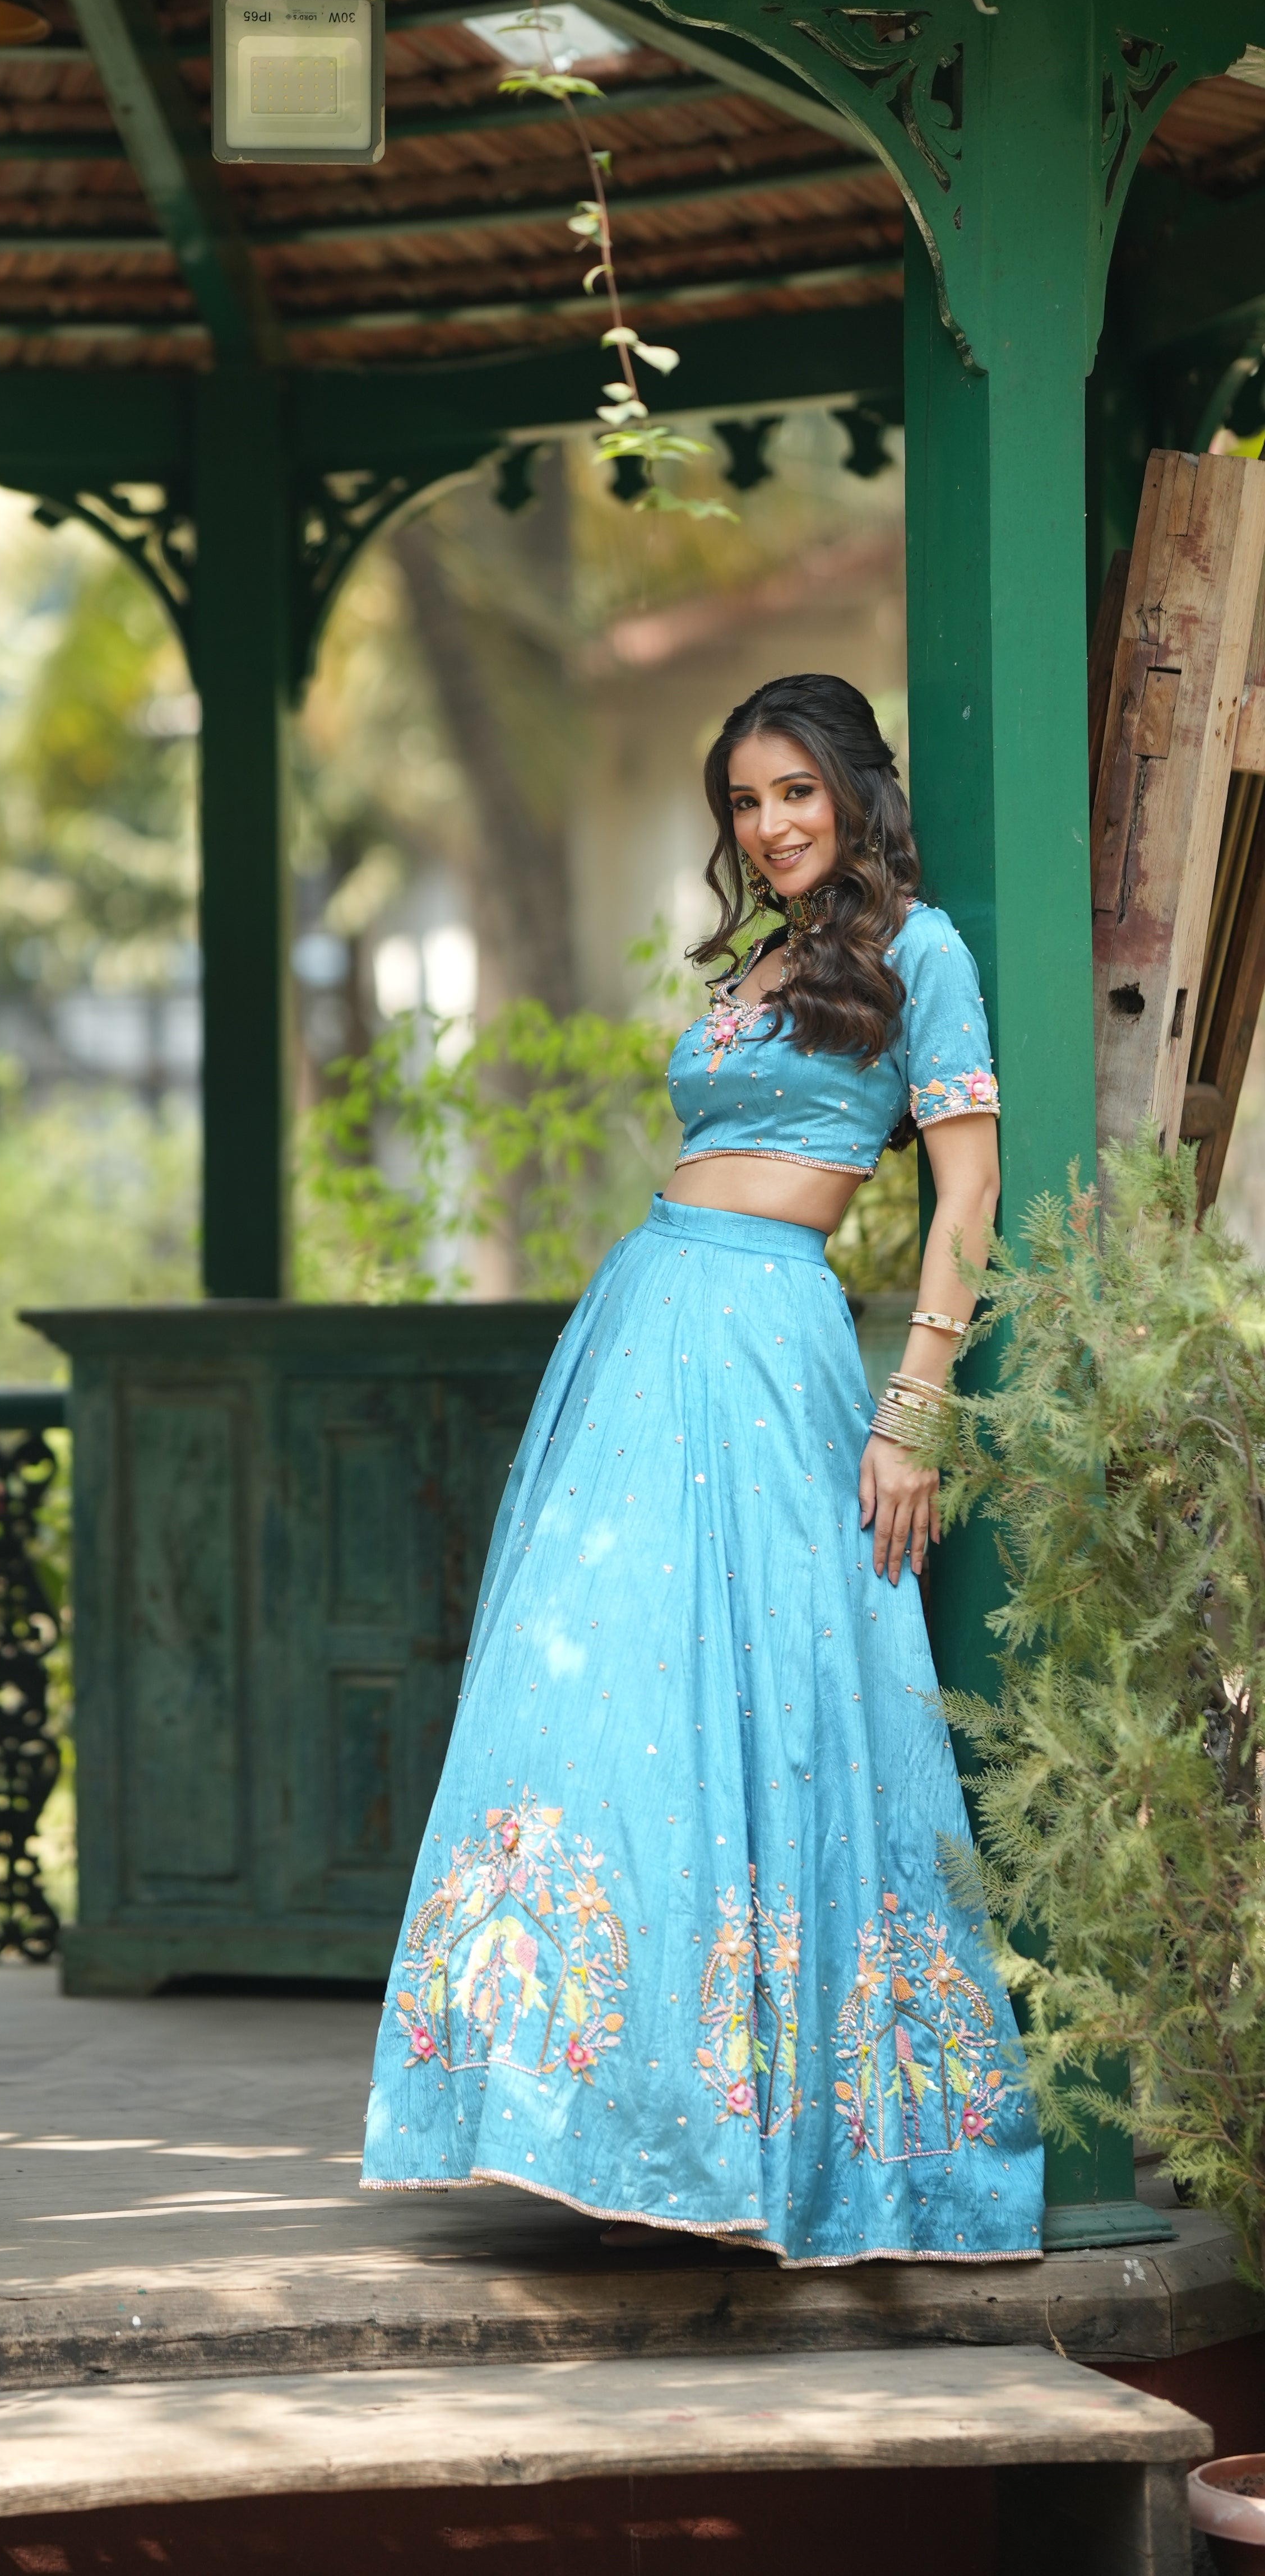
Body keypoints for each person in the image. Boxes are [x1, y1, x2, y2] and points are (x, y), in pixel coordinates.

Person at [359, 673, 1042, 2267]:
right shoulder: (759, 960)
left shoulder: (916, 952)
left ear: (856, 792)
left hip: (765, 1341)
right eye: (746, 802)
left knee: (783, 1709)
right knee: (592, 1695)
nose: (771, 825)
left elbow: (972, 1191)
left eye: (797, 792)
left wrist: (918, 1402)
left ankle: (787, 2138)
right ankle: (594, 2104)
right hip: (644, 1325)